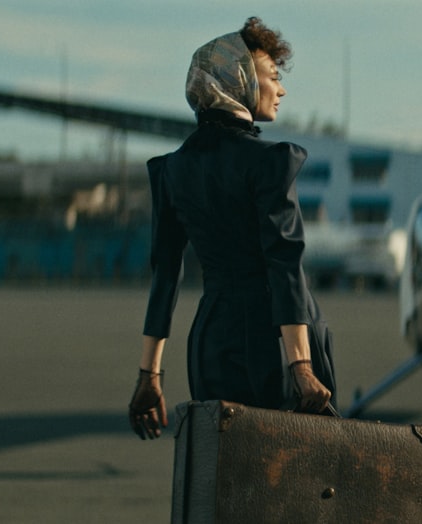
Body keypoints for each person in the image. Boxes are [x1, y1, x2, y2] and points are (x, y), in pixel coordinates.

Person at [129, 17, 336, 440]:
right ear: (238, 77)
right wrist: (301, 366)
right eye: (272, 77)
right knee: (290, 484)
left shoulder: (173, 170)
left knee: (221, 480)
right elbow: (284, 265)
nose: (281, 89)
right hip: (274, 343)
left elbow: (166, 273)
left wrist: (149, 375)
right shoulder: (270, 161)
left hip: (211, 342)